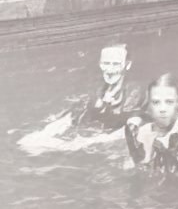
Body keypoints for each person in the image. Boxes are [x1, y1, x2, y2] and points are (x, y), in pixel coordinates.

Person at [17, 43, 145, 154]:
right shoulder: (97, 88)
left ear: (127, 65)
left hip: (107, 143)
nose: (109, 70)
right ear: (100, 64)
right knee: (29, 143)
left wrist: (82, 144)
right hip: (90, 135)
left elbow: (132, 129)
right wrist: (45, 132)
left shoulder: (134, 92)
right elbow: (74, 114)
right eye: (106, 63)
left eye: (116, 64)